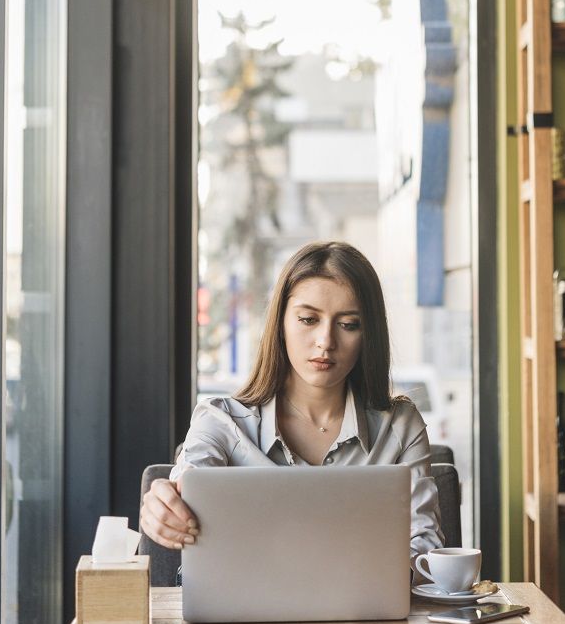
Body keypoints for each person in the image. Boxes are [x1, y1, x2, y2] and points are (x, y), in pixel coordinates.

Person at [140, 241, 444, 571]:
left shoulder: (399, 426)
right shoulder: (220, 421)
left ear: (368, 334)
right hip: (241, 620)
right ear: (281, 324)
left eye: (348, 324)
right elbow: (189, 479)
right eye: (308, 319)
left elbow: (425, 545)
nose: (326, 341)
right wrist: (163, 503)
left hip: (366, 619)